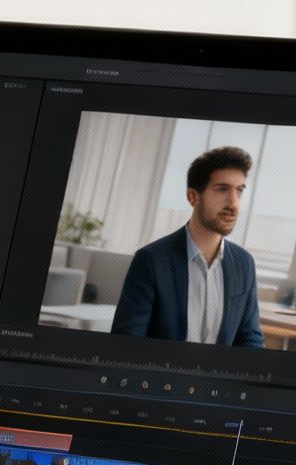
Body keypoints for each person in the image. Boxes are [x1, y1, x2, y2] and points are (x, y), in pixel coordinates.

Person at [110, 145, 265, 347]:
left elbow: (250, 339)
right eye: (222, 189)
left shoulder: (244, 263)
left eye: (240, 191)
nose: (234, 203)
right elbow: (127, 342)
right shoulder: (151, 260)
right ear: (193, 197)